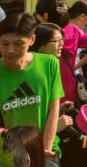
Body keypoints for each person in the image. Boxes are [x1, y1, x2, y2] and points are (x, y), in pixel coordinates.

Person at [0, 13, 62, 164]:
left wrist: (44, 151)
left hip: (46, 151)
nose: (10, 50)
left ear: (32, 40)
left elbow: (53, 108)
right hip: (9, 155)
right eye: (4, 44)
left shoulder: (49, 63)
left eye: (18, 44)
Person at [59, 1, 87, 105]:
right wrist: (76, 66)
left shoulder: (56, 31)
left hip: (53, 80)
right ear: (82, 16)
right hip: (68, 81)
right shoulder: (76, 32)